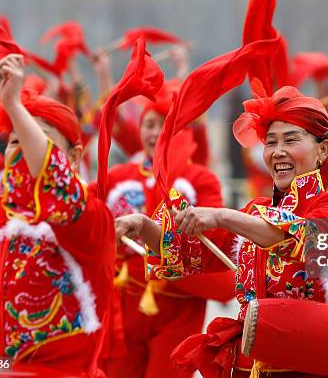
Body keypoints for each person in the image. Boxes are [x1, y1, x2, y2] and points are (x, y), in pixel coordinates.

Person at [115, 84, 328, 378]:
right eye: (270, 142)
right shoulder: (255, 211)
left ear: (323, 150)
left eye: (291, 140)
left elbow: (300, 238)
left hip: (307, 367)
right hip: (248, 365)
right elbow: (190, 250)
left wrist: (221, 216)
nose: (278, 152)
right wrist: (142, 225)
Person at [0, 54, 115, 376]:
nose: (21, 146)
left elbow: (55, 182)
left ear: (74, 156)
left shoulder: (91, 219)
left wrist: (14, 107)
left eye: (37, 135)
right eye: (13, 140)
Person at [96, 79, 233, 378]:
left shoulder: (200, 179)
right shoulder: (118, 176)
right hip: (125, 304)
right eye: (149, 124)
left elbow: (214, 243)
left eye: (165, 124)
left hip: (178, 308)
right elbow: (85, 211)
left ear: (184, 128)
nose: (155, 132)